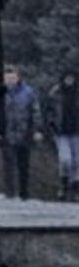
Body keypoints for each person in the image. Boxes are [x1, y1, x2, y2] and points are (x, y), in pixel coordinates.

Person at [3, 66, 45, 199]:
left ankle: (24, 192)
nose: (10, 80)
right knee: (8, 164)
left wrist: (37, 129)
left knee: (24, 164)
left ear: (18, 77)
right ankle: (10, 192)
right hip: (7, 132)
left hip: (25, 132)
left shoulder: (28, 92)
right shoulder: (1, 93)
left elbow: (35, 111)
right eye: (7, 78)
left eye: (12, 77)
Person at [55, 72, 79, 201]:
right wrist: (51, 125)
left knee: (77, 162)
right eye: (67, 78)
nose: (69, 81)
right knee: (66, 160)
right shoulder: (56, 92)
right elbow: (48, 109)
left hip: (77, 132)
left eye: (72, 78)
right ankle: (63, 185)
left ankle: (75, 190)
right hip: (61, 133)